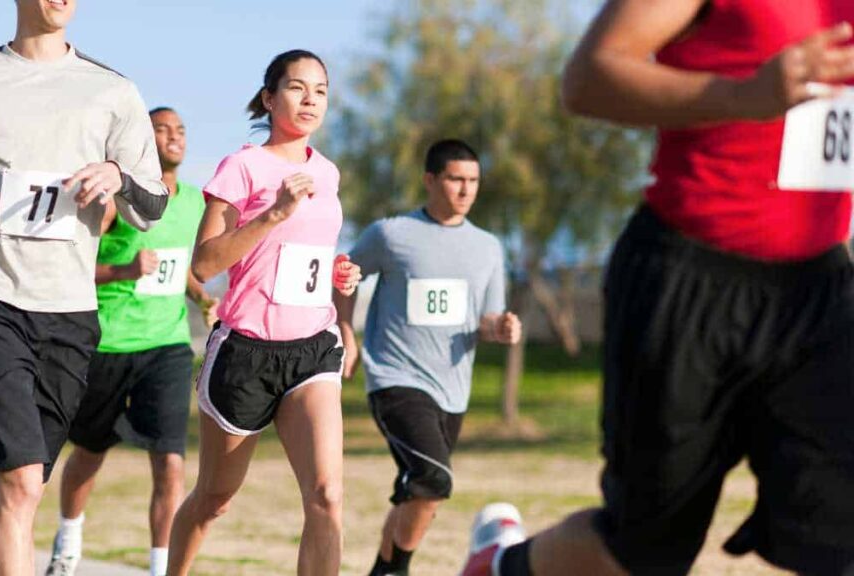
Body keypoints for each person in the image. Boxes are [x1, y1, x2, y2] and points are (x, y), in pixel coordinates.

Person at [461, 1, 854, 575]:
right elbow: (589, 77)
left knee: (841, 539)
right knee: (640, 555)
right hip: (691, 280)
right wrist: (744, 96)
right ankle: (499, 567)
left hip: (818, 292)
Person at [0, 0, 168, 573]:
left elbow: (153, 203)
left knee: (25, 483)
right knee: (17, 481)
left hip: (69, 308)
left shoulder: (112, 91)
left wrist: (117, 176)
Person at [164, 49, 361, 576]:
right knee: (213, 500)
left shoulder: (328, 173)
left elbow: (309, 257)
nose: (310, 99)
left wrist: (340, 277)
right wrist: (273, 213)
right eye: (297, 88)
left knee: (327, 496)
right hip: (245, 352)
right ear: (270, 98)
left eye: (320, 90)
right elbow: (204, 264)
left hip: (313, 348)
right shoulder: (242, 166)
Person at [334, 139, 521, 576]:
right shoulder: (391, 234)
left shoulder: (488, 247)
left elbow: (487, 317)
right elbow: (342, 272)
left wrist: (502, 328)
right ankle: (396, 570)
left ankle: (382, 571)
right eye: (456, 179)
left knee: (417, 492)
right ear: (431, 180)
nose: (465, 190)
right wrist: (346, 330)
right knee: (434, 480)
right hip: (395, 378)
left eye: (473, 181)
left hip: (452, 389)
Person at [46, 106, 217, 576]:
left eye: (181, 129)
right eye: (162, 129)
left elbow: (182, 268)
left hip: (167, 346)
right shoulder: (117, 200)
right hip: (108, 344)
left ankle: (161, 568)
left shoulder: (195, 203)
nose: (175, 136)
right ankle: (68, 541)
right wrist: (123, 269)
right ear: (143, 139)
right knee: (88, 454)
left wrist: (203, 299)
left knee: (171, 463)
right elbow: (74, 263)